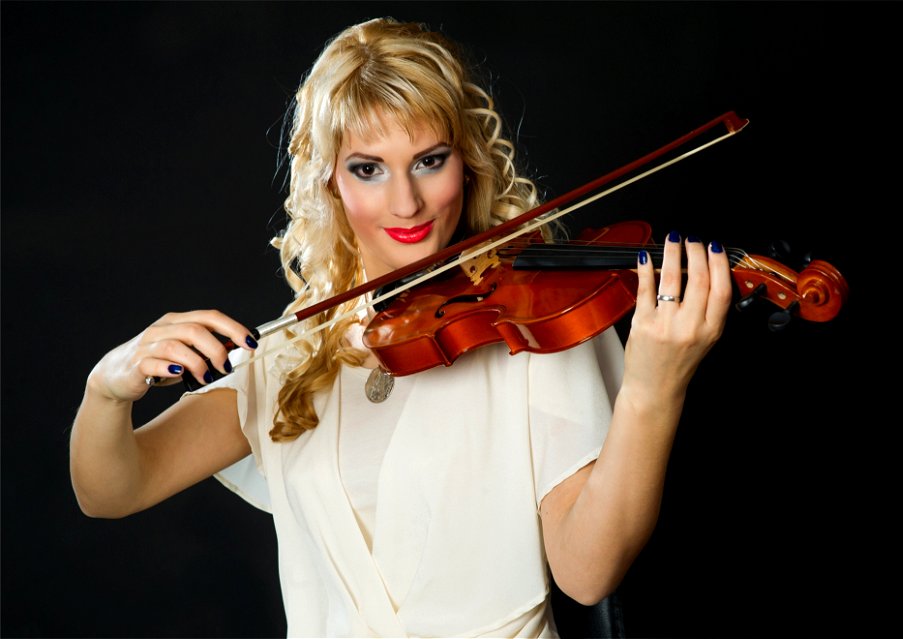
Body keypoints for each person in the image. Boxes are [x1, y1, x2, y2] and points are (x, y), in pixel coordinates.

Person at [70, 17, 731, 638]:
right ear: (328, 181)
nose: (406, 202)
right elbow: (111, 489)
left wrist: (652, 390)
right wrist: (109, 385)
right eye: (368, 168)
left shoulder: (534, 324)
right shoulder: (291, 352)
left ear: (465, 160)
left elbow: (588, 574)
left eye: (428, 159)